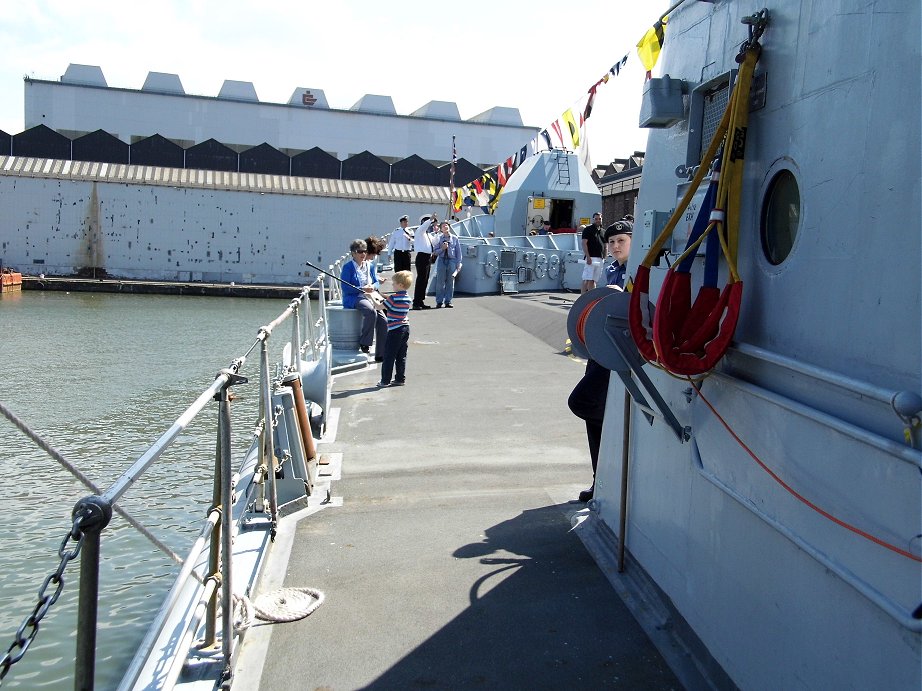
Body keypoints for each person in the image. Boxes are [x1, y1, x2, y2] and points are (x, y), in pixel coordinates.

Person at [568, 218, 633, 502]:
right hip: (600, 350)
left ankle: (613, 444)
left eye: (622, 241)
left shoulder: (640, 271)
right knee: (592, 418)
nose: (615, 246)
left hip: (621, 354)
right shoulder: (610, 269)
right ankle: (601, 478)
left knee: (582, 401)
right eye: (612, 242)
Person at [340, 238, 387, 361]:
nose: (363, 254)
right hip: (354, 297)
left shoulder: (370, 266)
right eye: (360, 251)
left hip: (370, 296)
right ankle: (365, 342)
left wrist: (373, 286)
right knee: (370, 311)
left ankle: (380, 354)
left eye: (365, 251)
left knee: (383, 321)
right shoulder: (348, 267)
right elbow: (345, 287)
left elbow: (376, 282)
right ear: (353, 253)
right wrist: (362, 289)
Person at [377, 270, 413, 387]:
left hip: (395, 330)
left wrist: (371, 297)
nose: (392, 285)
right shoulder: (407, 298)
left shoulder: (393, 298)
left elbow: (378, 307)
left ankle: (385, 380)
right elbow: (392, 300)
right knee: (401, 355)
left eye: (394, 283)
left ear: (400, 285)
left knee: (389, 355)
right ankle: (400, 379)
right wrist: (382, 295)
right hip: (405, 328)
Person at [432, 221, 462, 308]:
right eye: (443, 226)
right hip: (442, 260)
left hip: (452, 260)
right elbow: (435, 252)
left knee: (450, 282)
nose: (445, 227)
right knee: (440, 282)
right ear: (441, 229)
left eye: (447, 225)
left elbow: (458, 252)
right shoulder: (439, 238)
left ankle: (448, 301)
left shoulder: (455, 238)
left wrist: (458, 263)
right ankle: (439, 301)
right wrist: (442, 248)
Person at [412, 214, 438, 309]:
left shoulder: (427, 235)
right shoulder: (420, 231)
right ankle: (416, 302)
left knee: (425, 280)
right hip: (422, 257)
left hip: (428, 258)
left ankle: (421, 300)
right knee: (421, 280)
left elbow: (435, 242)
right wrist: (430, 220)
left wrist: (436, 233)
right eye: (428, 222)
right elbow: (423, 227)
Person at [580, 212, 605, 293]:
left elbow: (605, 244)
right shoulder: (588, 230)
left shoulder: (603, 231)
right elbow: (584, 243)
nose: (598, 220)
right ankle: (582, 298)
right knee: (586, 279)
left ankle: (591, 298)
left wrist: (604, 256)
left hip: (600, 258)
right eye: (596, 219)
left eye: (599, 219)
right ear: (593, 219)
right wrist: (588, 257)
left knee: (594, 280)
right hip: (591, 257)